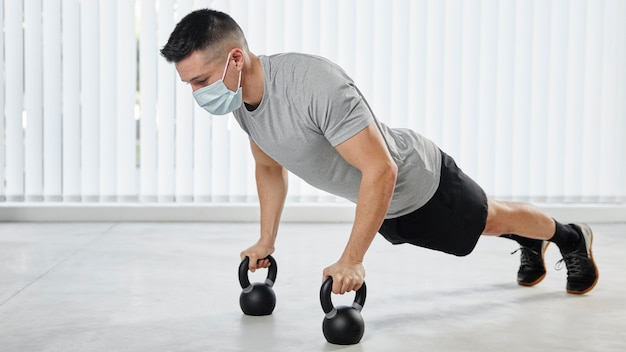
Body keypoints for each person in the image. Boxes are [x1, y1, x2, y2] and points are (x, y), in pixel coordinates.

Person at [160, 9, 598, 296]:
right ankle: (527, 237)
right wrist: (266, 240)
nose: (198, 94)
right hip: (384, 203)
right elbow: (269, 166)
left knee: (491, 219)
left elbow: (381, 170)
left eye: (201, 81)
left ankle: (569, 236)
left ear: (236, 58)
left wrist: (352, 259)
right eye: (190, 85)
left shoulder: (313, 85)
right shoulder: (242, 101)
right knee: (484, 226)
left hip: (419, 182)